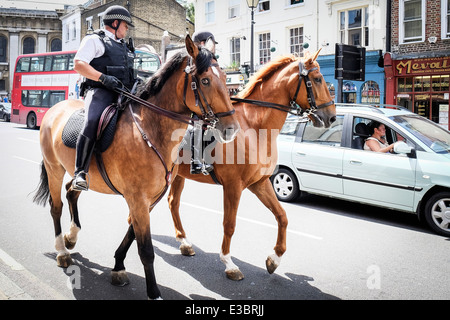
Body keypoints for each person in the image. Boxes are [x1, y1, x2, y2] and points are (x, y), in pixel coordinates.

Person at [72, 5, 136, 191]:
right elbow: (79, 64)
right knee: (91, 121)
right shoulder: (94, 40)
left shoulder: (124, 45)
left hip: (125, 92)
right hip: (100, 91)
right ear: (115, 23)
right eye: (125, 25)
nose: (126, 29)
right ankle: (80, 173)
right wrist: (103, 78)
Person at [189, 31, 218, 174]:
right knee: (197, 126)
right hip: (194, 103)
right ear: (202, 44)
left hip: (206, 104)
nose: (214, 47)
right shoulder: (196, 61)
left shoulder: (211, 61)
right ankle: (195, 161)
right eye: (212, 43)